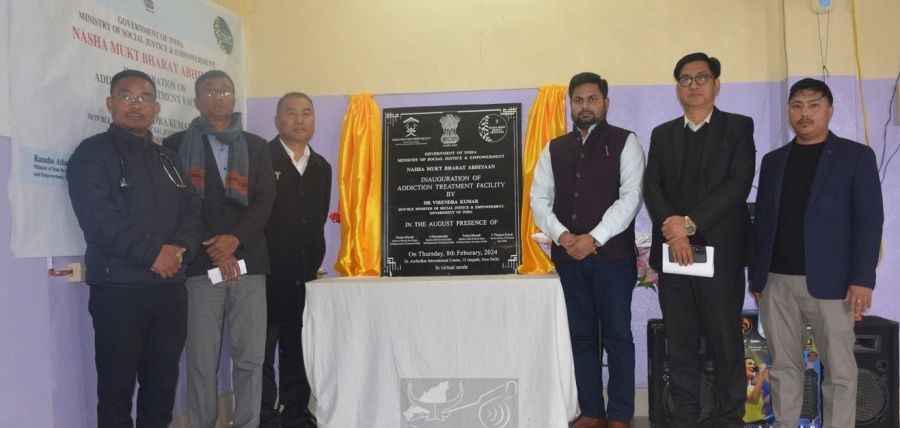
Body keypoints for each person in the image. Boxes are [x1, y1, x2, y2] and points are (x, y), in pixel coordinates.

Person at [67, 69, 201, 427]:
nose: (135, 105)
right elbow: (98, 218)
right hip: (119, 291)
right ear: (110, 104)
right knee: (116, 393)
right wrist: (153, 253)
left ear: (156, 108)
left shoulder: (168, 160)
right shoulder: (91, 154)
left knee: (161, 389)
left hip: (170, 292)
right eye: (126, 96)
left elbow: (191, 211)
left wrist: (179, 249)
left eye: (144, 98)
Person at [749, 78, 883, 428]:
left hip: (834, 284)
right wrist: (758, 277)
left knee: (839, 371)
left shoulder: (856, 157)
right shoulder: (774, 161)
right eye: (797, 105)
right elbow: (762, 223)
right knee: (783, 368)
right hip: (777, 283)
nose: (804, 113)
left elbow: (869, 223)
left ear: (829, 110)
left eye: (813, 104)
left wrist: (862, 280)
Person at [643, 52, 756, 428]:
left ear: (716, 85)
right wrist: (673, 231)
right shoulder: (663, 134)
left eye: (701, 78)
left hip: (720, 256)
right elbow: (653, 187)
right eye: (686, 79)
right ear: (678, 88)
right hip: (673, 257)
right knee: (680, 341)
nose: (694, 85)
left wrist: (687, 226)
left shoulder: (739, 127)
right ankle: (686, 416)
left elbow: (737, 186)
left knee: (726, 340)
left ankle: (729, 417)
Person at [531, 72, 645, 428]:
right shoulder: (554, 148)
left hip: (612, 259)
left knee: (617, 337)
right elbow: (539, 200)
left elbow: (630, 199)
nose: (585, 106)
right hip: (568, 259)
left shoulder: (626, 142)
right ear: (570, 104)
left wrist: (593, 237)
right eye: (578, 100)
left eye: (592, 99)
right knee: (581, 337)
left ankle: (620, 414)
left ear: (606, 103)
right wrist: (564, 237)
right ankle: (592, 411)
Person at [163, 70, 276, 428]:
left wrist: (234, 242)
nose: (218, 96)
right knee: (201, 360)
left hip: (249, 264)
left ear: (233, 98)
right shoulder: (174, 145)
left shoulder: (257, 146)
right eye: (209, 91)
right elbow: (178, 205)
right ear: (197, 101)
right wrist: (216, 247)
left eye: (225, 90)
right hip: (199, 265)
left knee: (250, 359)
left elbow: (264, 201)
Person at [260, 92, 331, 428]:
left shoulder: (322, 167)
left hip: (305, 276)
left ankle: (296, 412)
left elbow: (315, 220)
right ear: (277, 121)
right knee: (259, 353)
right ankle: (263, 414)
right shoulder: (261, 158)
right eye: (291, 113)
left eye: (307, 113)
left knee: (298, 350)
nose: (299, 120)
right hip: (266, 275)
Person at [744, 358, 769, 423]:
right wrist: (761, 373)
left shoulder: (753, 388)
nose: (753, 366)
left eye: (754, 364)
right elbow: (753, 400)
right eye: (749, 363)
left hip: (760, 422)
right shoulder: (736, 385)